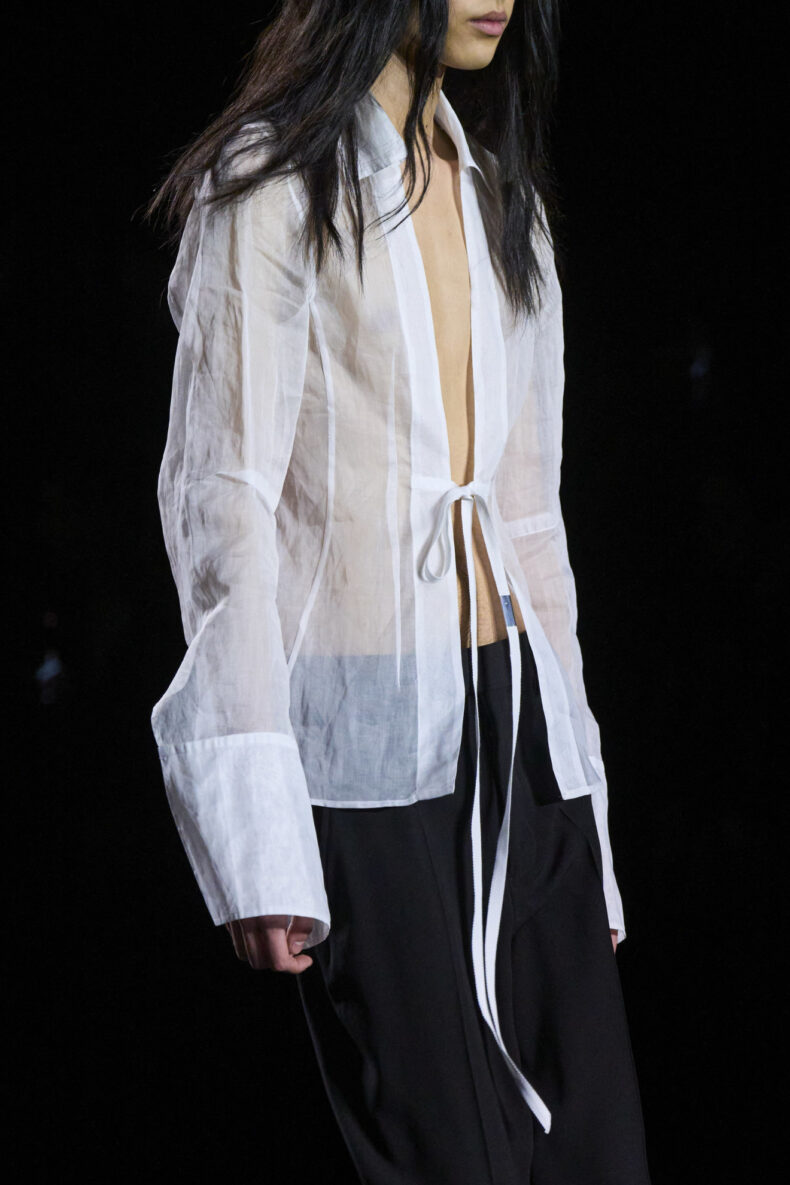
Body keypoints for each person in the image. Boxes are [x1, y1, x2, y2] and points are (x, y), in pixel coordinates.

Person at [146, 2, 652, 1180]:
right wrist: (259, 833)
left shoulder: (499, 198)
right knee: (451, 1156)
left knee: (598, 1152)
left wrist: (586, 808)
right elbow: (221, 502)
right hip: (368, 745)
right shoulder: (272, 183)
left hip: (520, 731)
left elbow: (530, 517)